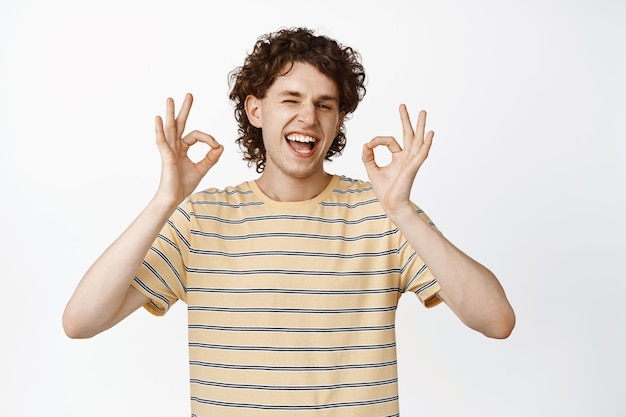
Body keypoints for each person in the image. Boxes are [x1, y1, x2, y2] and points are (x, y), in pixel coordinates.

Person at [63, 27, 515, 416]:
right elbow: (81, 321)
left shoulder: (383, 213)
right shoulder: (200, 218)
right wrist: (165, 200)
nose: (308, 117)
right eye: (291, 99)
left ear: (338, 120)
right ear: (255, 110)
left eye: (324, 104)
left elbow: (497, 321)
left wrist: (402, 211)